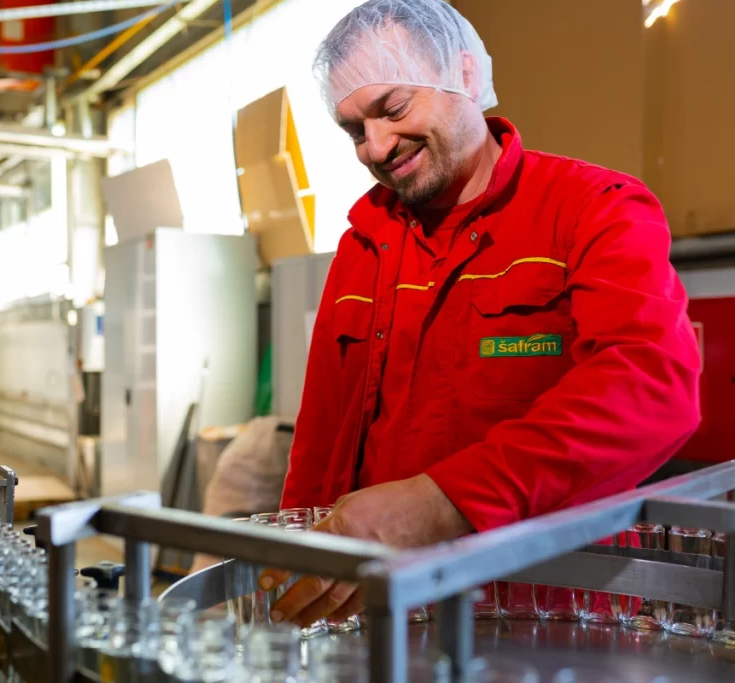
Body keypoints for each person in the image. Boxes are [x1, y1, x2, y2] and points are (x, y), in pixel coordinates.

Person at [259, 0, 701, 628]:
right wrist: (300, 579)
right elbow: (321, 438)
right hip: (388, 613)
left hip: (550, 614)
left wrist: (442, 504)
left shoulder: (591, 209)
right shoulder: (364, 244)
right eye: (355, 130)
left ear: (464, 76)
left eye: (394, 108)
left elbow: (651, 386)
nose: (375, 148)